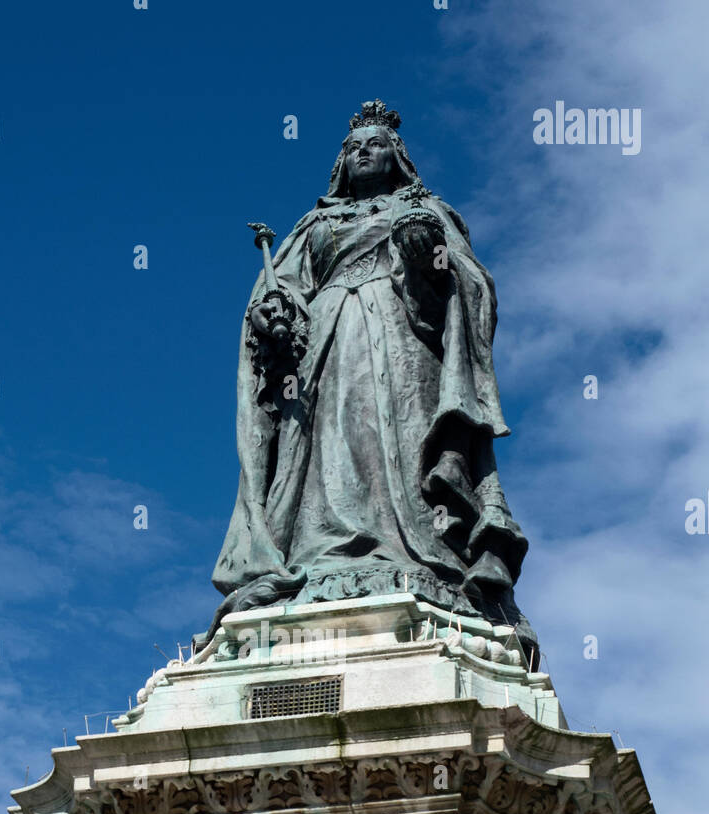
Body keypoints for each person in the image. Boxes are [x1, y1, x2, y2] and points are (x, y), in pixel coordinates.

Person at [211, 99, 535, 658]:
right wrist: (271, 313)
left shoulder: (427, 208)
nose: (364, 151)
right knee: (321, 451)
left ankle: (422, 558)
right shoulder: (314, 224)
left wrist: (427, 256)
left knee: (404, 441)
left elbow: (471, 286)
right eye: (354, 146)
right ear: (342, 162)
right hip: (327, 342)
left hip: (402, 334)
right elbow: (282, 290)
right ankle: (317, 557)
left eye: (376, 143)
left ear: (397, 156)